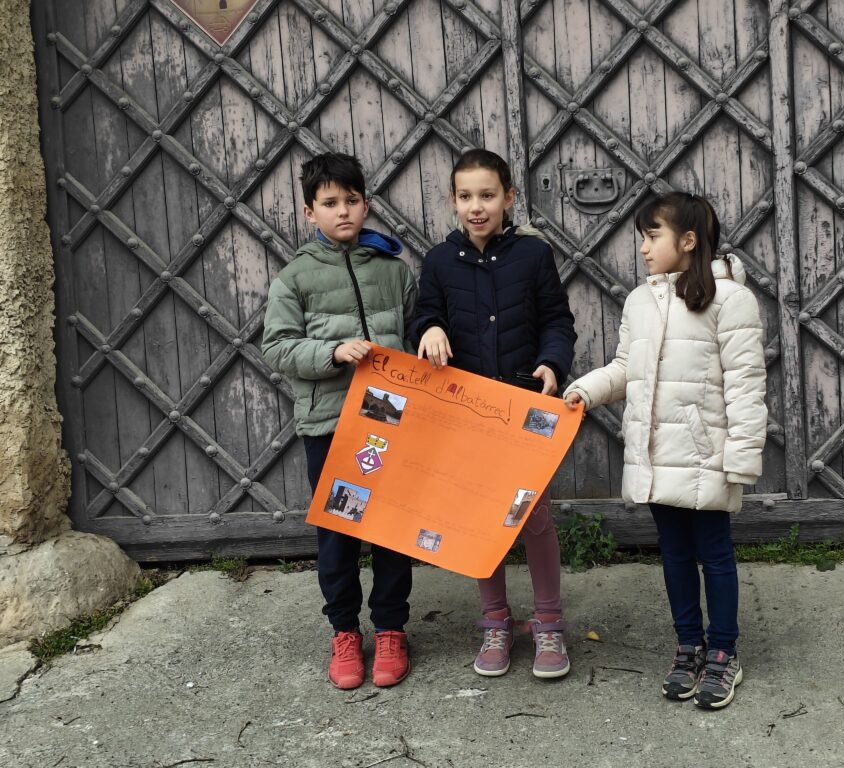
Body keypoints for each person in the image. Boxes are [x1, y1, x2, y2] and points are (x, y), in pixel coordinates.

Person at [564, 191, 767, 709]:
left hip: (706, 455)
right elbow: (626, 367)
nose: (644, 247)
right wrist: (586, 390)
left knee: (714, 555)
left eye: (653, 236)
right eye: (643, 237)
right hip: (656, 454)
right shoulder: (641, 301)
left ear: (688, 240)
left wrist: (742, 457)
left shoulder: (731, 301)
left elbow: (746, 385)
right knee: (674, 554)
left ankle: (723, 652)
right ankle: (688, 646)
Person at [413, 148, 577, 678]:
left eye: (487, 195)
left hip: (526, 409)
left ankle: (548, 623)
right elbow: (426, 313)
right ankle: (495, 622)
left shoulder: (533, 257)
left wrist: (552, 362)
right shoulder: (439, 262)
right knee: (481, 521)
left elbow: (557, 321)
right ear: (453, 201)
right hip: (468, 416)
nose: (476, 207)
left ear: (509, 197)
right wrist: (429, 329)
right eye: (465, 196)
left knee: (535, 516)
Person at [262, 152, 418, 690]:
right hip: (331, 427)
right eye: (330, 203)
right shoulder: (295, 278)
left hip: (388, 421)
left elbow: (417, 335)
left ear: (366, 204)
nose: (343, 211)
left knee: (391, 529)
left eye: (352, 200)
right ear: (310, 212)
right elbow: (277, 348)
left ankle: (392, 629)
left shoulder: (394, 271)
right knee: (340, 532)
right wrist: (331, 353)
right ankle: (345, 632)